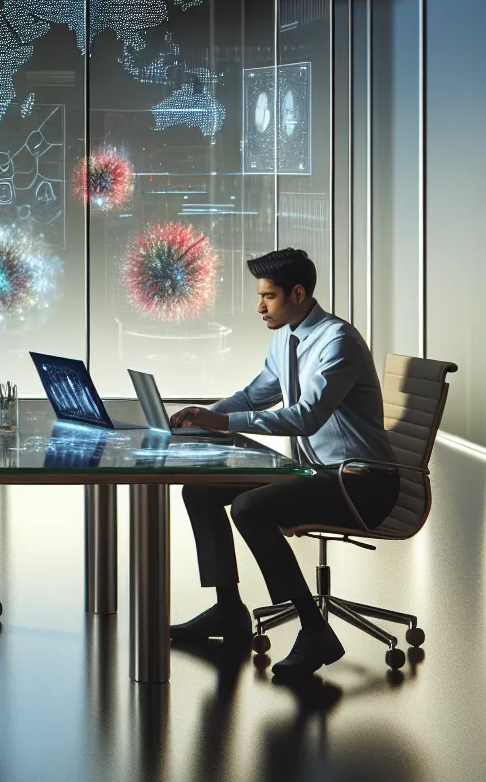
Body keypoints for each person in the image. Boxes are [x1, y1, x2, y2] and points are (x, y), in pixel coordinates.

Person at [166, 247, 399, 679]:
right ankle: (228, 610)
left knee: (250, 508)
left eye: (268, 297)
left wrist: (223, 421)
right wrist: (201, 417)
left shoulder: (337, 342)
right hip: (318, 473)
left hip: (362, 483)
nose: (259, 307)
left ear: (297, 293)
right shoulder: (286, 335)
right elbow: (257, 395)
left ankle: (315, 631)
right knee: (199, 490)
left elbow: (305, 416)